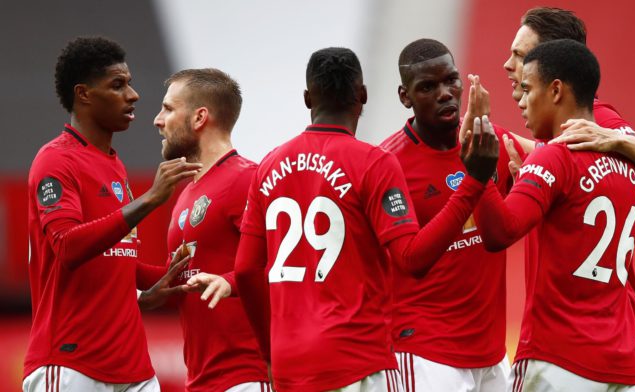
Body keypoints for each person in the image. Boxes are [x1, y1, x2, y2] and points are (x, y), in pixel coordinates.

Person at [190, 47, 500, 392]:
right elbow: (411, 258)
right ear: (362, 95)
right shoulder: (375, 162)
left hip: (291, 361)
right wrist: (473, 183)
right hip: (358, 359)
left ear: (308, 98)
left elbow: (247, 269)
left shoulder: (269, 166)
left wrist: (269, 352)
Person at [495, 7, 635, 386]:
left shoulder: (597, 119)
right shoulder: (555, 139)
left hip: (590, 333)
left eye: (520, 55)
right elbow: (579, 178)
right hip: (611, 343)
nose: (508, 65)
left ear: (551, 65)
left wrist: (613, 138)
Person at [24, 36, 202, 391]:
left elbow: (115, 257)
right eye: (118, 85)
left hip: (133, 367)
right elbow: (68, 246)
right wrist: (151, 199)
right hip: (72, 362)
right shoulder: (55, 160)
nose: (133, 95)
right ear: (84, 94)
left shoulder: (113, 165)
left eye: (130, 84)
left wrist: (168, 276)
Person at [476, 39, 635, 390]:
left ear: (555, 90)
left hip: (559, 360)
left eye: (527, 88)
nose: (522, 102)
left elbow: (500, 232)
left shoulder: (555, 156)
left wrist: (479, 177)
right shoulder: (627, 159)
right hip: (623, 365)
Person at [380, 38, 524, 391]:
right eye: (428, 87)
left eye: (451, 80)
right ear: (405, 97)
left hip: (491, 355)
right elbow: (409, 259)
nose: (445, 93)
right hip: (425, 354)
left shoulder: (493, 141)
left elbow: (560, 169)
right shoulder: (387, 164)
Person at [136, 68, 271, 392]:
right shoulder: (187, 193)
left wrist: (227, 281)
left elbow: (281, 268)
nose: (157, 120)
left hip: (247, 377)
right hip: (202, 379)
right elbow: (178, 279)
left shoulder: (245, 180)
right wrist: (110, 259)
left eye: (168, 109)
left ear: (199, 118)